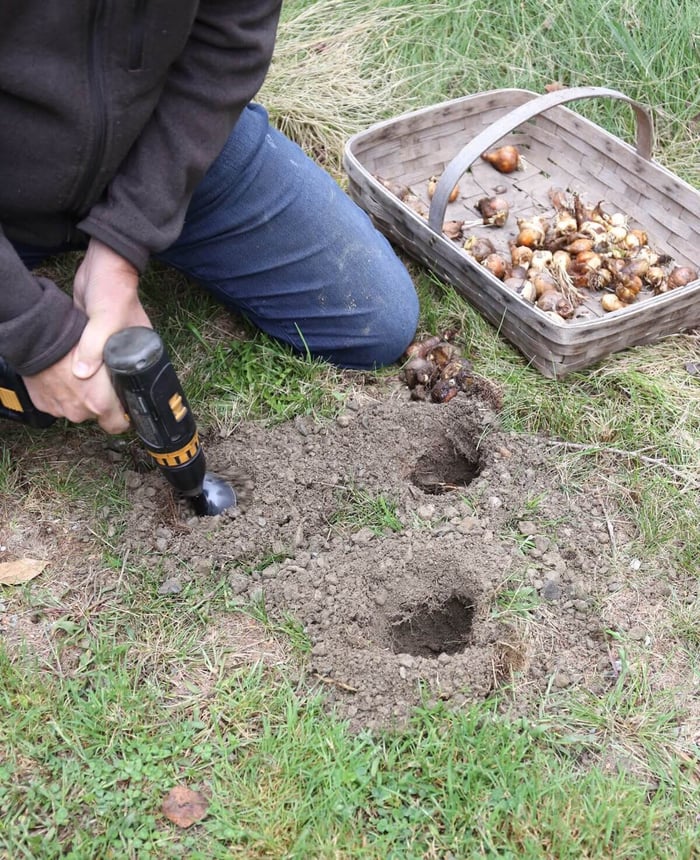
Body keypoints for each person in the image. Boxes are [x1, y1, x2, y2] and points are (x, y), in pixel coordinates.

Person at [0, 2, 419, 435]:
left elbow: (229, 42)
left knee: (376, 316)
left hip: (163, 140)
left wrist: (123, 243)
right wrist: (32, 332)